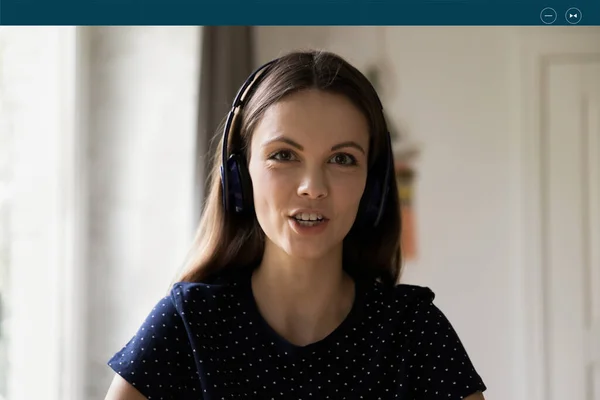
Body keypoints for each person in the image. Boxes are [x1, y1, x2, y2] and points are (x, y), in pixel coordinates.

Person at [104, 50, 487, 400]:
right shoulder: (187, 327)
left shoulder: (414, 333)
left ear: (373, 186)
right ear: (240, 175)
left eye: (342, 159)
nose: (312, 187)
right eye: (283, 155)